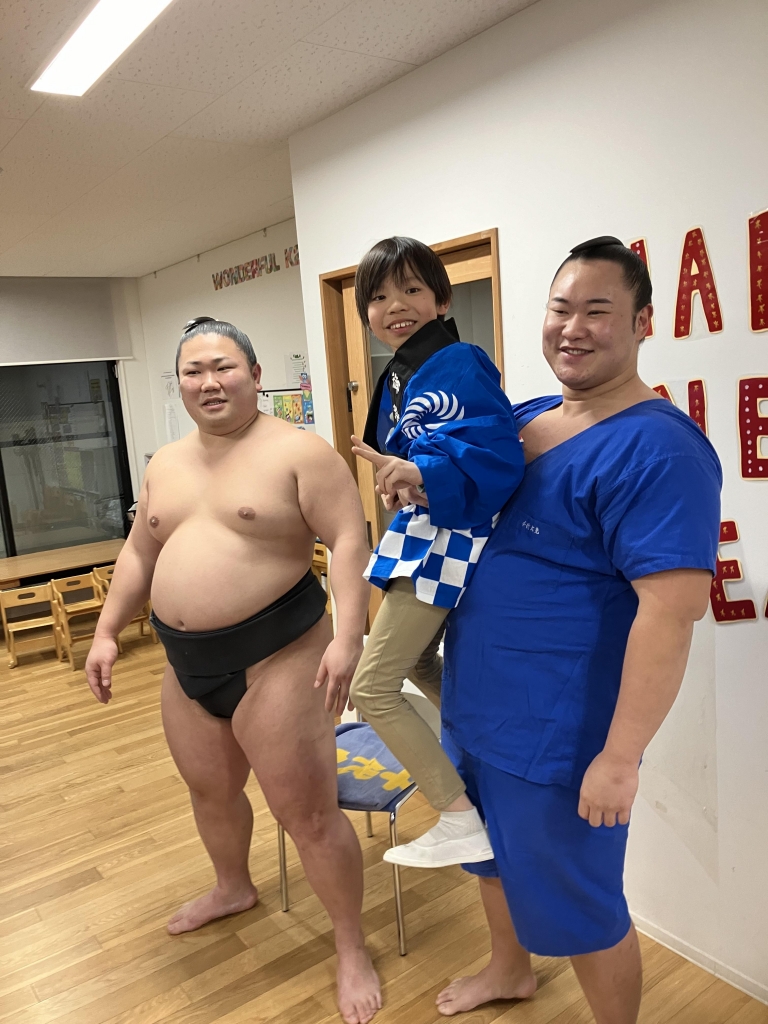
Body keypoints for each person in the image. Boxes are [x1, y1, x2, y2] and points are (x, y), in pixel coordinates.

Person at [434, 237, 722, 1022]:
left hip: (556, 736)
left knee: (582, 904)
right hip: (476, 709)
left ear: (642, 323)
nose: (573, 327)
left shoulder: (662, 448)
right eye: (561, 308)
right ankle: (510, 970)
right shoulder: (525, 417)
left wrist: (620, 758)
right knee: (489, 857)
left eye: (598, 311)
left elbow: (672, 613)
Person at [85, 317, 381, 1024]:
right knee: (210, 791)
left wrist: (350, 634)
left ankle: (350, 946)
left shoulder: (300, 453)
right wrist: (104, 631)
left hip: (280, 653)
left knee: (307, 813)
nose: (209, 382)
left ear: (254, 374)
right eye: (194, 371)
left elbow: (349, 538)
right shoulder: (165, 463)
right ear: (180, 383)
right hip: (186, 661)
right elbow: (139, 552)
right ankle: (232, 886)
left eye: (223, 367)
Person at [348, 236, 524, 868]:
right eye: (378, 296)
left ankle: (456, 815)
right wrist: (405, 475)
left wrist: (423, 474)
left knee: (372, 688)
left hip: (450, 535)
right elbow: (429, 449)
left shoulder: (460, 360)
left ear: (442, 299)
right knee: (420, 661)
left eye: (411, 289)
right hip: (426, 529)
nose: (395, 305)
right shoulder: (402, 374)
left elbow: (497, 454)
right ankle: (483, 748)